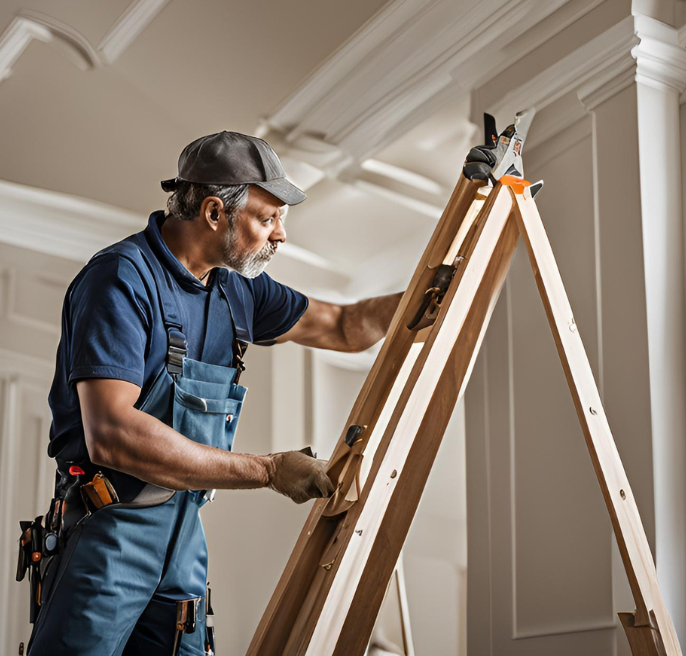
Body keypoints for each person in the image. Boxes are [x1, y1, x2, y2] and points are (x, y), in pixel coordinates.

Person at [22, 130, 402, 655]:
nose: (281, 236)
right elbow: (112, 434)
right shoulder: (121, 280)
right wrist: (267, 470)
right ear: (214, 213)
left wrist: (441, 281)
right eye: (268, 219)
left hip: (184, 537)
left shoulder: (236, 288)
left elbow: (345, 326)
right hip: (107, 531)